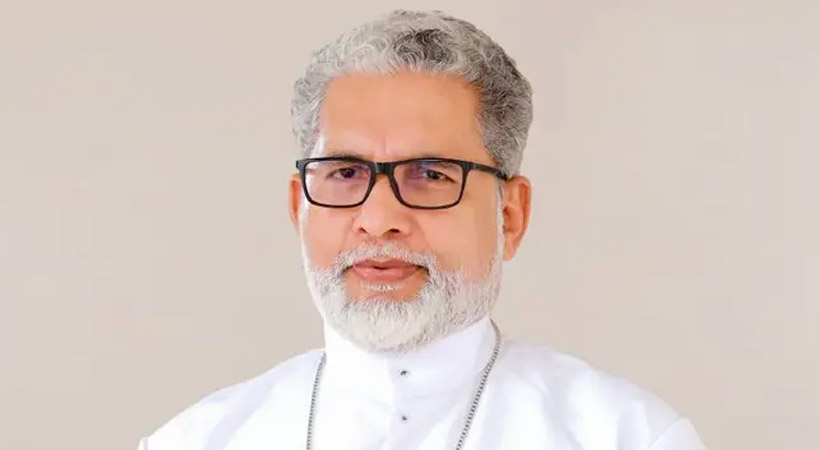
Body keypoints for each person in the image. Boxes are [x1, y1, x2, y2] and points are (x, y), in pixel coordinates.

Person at [137, 10, 707, 450]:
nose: (379, 217)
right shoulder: (196, 441)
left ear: (510, 216)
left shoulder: (627, 437)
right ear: (298, 208)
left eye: (431, 174)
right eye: (345, 173)